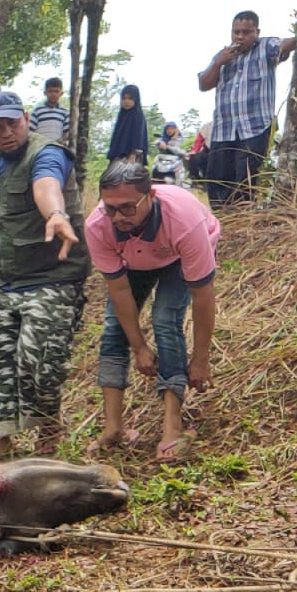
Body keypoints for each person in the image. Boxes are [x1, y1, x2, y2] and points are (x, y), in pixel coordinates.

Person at [0, 91, 89, 479]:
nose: (7, 133)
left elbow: (45, 183)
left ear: (27, 118)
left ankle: (47, 433)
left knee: (38, 359)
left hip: (52, 277)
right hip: (5, 279)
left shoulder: (48, 153)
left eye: (13, 123)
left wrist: (54, 214)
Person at [84, 161, 219, 462]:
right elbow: (119, 292)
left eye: (128, 208)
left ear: (151, 196)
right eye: (110, 208)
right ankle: (113, 427)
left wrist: (200, 359)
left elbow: (202, 296)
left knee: (165, 318)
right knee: (113, 329)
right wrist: (139, 347)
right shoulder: (98, 225)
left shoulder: (184, 220)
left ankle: (173, 427)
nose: (118, 217)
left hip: (177, 256)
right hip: (134, 260)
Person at [198, 10, 296, 208]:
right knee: (217, 182)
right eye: (236, 32)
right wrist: (218, 63)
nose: (240, 37)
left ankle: (243, 224)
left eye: (246, 32)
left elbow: (286, 45)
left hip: (254, 128)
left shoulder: (266, 47)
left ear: (257, 32)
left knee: (245, 182)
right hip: (223, 130)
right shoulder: (222, 56)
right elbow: (203, 84)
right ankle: (221, 224)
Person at [107, 84, 148, 170]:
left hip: (132, 157)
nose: (126, 101)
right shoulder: (121, 116)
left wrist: (133, 154)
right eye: (124, 98)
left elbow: (138, 137)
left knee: (129, 180)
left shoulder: (138, 115)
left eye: (130, 98)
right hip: (118, 156)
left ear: (136, 99)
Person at [29, 77, 69, 143]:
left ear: (61, 93)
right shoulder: (37, 110)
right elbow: (30, 130)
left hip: (58, 146)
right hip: (40, 146)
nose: (53, 94)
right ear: (45, 93)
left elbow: (67, 133)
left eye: (56, 91)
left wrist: (59, 141)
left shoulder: (65, 112)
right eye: (50, 91)